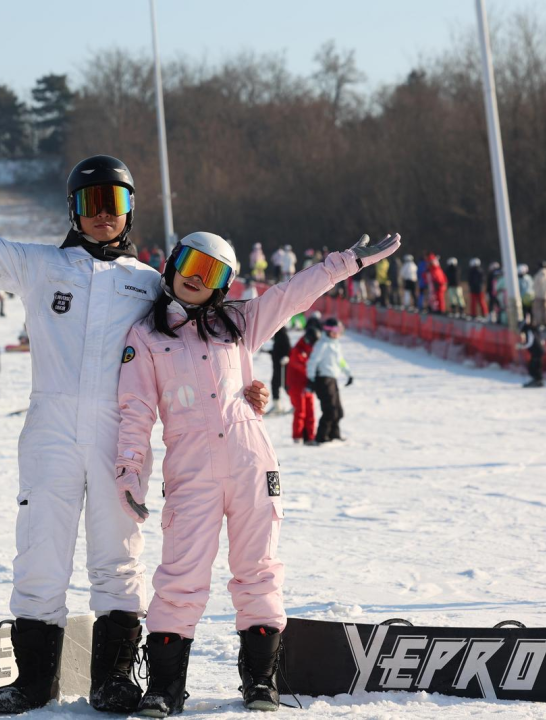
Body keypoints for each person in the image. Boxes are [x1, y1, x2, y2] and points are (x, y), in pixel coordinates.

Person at [0, 154, 271, 715]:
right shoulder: (40, 267)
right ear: (74, 209)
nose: (104, 215)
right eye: (92, 203)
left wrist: (244, 389)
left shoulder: (150, 285)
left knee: (118, 557)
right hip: (49, 429)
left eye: (115, 203)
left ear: (129, 211)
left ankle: (114, 679)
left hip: (118, 435)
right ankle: (33, 681)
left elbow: (204, 341)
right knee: (40, 553)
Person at [115, 231, 400, 715]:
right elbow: (135, 409)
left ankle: (261, 682)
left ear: (223, 285)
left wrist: (342, 263)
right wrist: (129, 470)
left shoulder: (240, 323)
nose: (193, 279)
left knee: (258, 572)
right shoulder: (146, 337)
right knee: (180, 576)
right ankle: (164, 687)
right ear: (171, 266)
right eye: (188, 264)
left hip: (252, 464)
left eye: (209, 273)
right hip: (191, 471)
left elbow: (292, 294)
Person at [307, 317, 353, 444]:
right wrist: (310, 379)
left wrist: (349, 374)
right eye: (335, 331)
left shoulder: (335, 345)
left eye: (339, 331)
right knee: (330, 410)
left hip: (333, 379)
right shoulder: (322, 344)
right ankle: (322, 437)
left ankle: (334, 434)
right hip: (323, 379)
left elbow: (341, 362)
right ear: (328, 331)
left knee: (338, 410)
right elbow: (312, 362)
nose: (337, 333)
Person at [286, 317, 320, 445]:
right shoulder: (297, 350)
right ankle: (298, 437)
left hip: (307, 385)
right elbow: (304, 366)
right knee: (300, 412)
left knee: (310, 411)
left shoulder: (310, 349)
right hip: (296, 386)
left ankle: (310, 437)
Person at [268, 326, 291, 411]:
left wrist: (286, 357)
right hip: (277, 366)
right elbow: (278, 350)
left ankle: (297, 404)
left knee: (286, 385)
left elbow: (288, 349)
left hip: (283, 366)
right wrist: (269, 351)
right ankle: (277, 406)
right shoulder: (277, 336)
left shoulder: (283, 335)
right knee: (274, 384)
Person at [517, 320, 545, 388]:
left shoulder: (529, 331)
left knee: (533, 366)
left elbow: (530, 342)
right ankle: (538, 380)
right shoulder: (533, 329)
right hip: (537, 350)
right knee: (535, 365)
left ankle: (537, 380)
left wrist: (522, 346)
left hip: (537, 351)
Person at [532, 261, 546, 328]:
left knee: (538, 309)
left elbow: (535, 286)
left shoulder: (538, 275)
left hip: (538, 295)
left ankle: (539, 323)